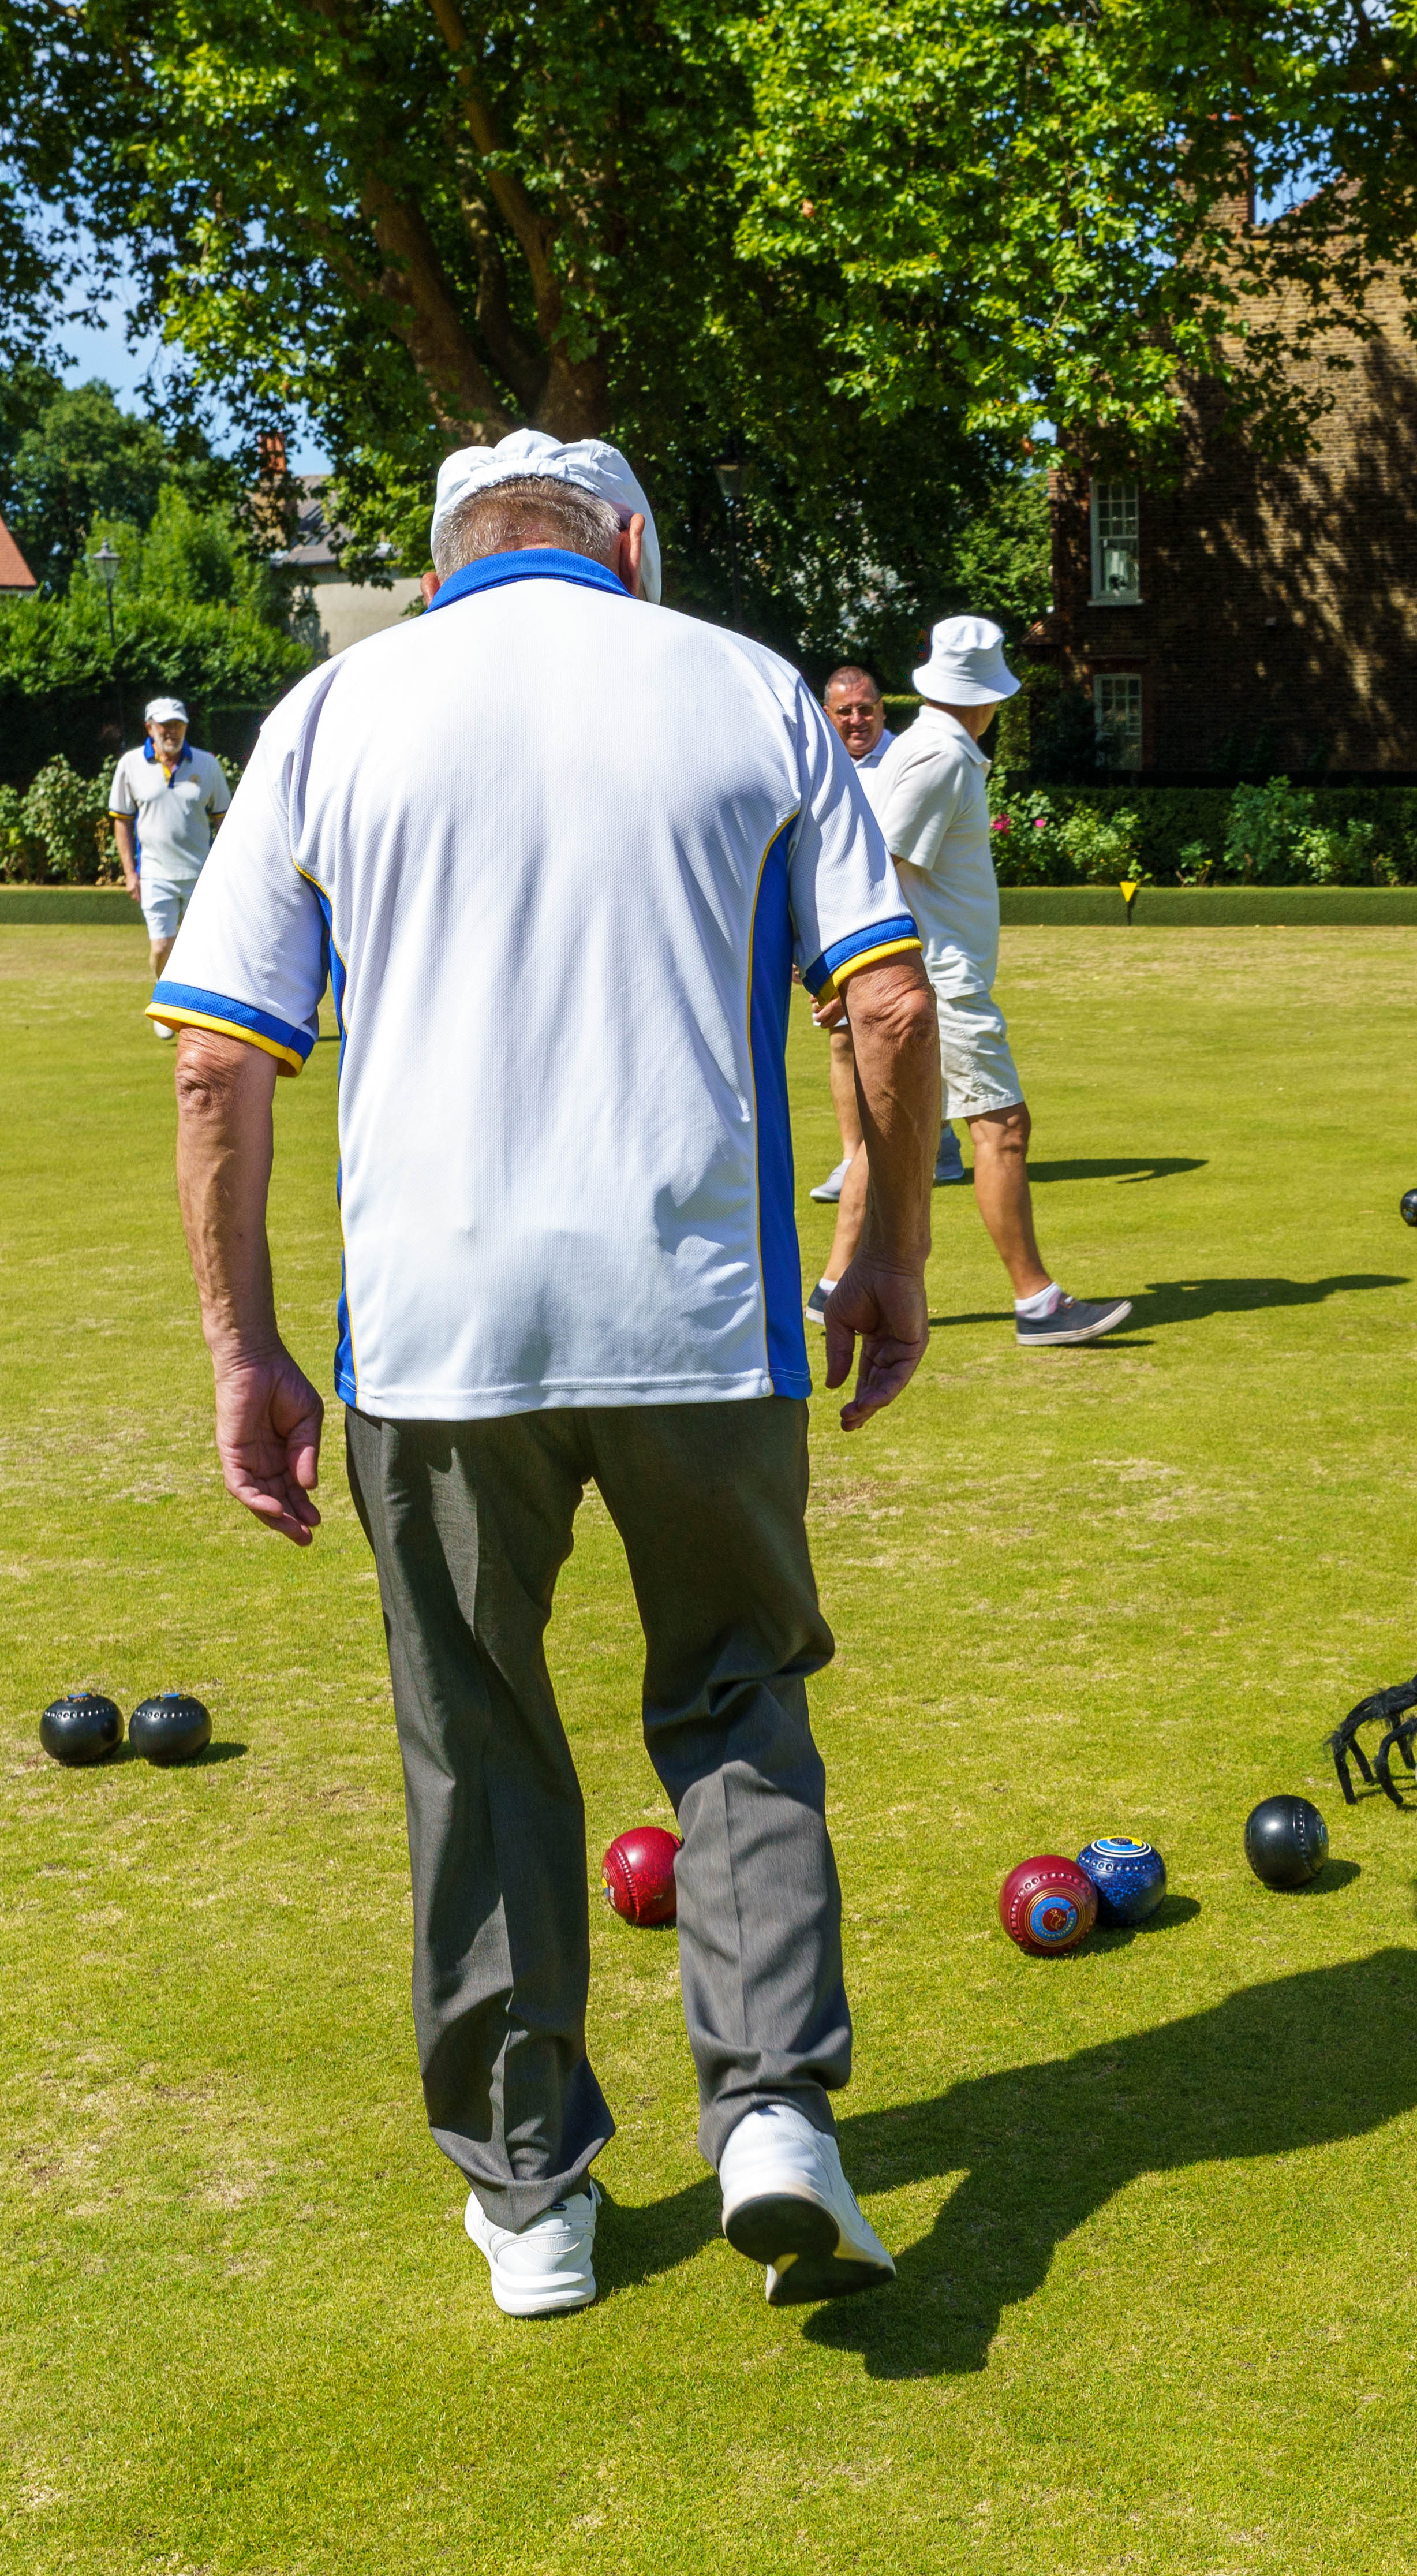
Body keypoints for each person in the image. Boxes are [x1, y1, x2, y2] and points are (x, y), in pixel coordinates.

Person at [149, 427, 943, 2321]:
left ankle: (534, 2203)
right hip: (701, 1312)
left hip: (437, 1339)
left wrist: (243, 1349)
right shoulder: (750, 686)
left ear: (437, 563)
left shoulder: (335, 711)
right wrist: (894, 1257)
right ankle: (770, 2116)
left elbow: (214, 1066)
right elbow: (892, 1003)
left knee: (481, 1732)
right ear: (632, 545)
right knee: (736, 1697)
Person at [823, 617, 1130, 1347]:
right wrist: (850, 972)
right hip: (945, 981)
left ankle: (833, 1288)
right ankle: (1038, 1303)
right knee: (1003, 1128)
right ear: (983, 696)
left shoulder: (931, 747)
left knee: (892, 1138)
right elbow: (884, 868)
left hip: (932, 975)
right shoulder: (941, 759)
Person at [808, 662, 968, 1207]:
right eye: (845, 711)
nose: (857, 720)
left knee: (910, 1031)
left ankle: (937, 1143)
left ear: (882, 709)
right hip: (839, 923)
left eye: (867, 708)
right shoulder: (815, 766)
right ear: (827, 715)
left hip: (902, 925)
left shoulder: (905, 758)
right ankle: (855, 1157)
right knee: (842, 1039)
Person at [109, 696, 235, 990]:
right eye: (165, 726)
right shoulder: (130, 764)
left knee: (203, 950)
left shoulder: (208, 764)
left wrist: (226, 869)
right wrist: (130, 873)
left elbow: (224, 820)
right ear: (149, 728)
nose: (172, 732)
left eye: (178, 725)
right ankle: (164, 992)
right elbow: (122, 821)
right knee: (161, 948)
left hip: (201, 875)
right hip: (154, 875)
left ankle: (193, 1009)